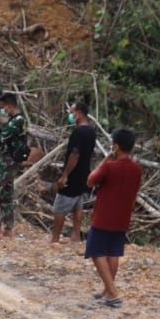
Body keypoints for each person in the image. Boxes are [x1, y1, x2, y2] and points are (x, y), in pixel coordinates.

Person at [86, 128, 143, 308]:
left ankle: (113, 293)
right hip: (123, 216)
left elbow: (90, 180)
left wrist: (104, 160)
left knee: (95, 251)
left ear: (116, 146)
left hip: (104, 215)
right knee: (113, 252)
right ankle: (107, 290)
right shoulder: (136, 169)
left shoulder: (110, 166)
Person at [0, 93, 29, 239]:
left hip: (7, 163)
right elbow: (6, 135)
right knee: (6, 196)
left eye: (4, 107)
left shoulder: (17, 121)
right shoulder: (18, 120)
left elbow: (1, 139)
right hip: (12, 162)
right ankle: (8, 229)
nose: (3, 110)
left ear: (10, 105)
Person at [50, 102, 97, 244]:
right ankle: (75, 235)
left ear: (79, 113)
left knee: (60, 206)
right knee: (78, 204)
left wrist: (65, 175)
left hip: (74, 174)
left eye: (72, 112)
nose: (70, 115)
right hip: (84, 173)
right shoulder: (91, 130)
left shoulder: (79, 132)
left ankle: (55, 238)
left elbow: (74, 154)